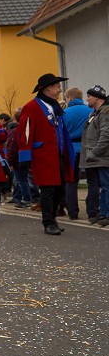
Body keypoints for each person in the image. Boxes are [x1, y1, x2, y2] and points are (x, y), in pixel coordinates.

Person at [17, 74, 73, 236]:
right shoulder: (31, 107)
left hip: (58, 155)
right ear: (48, 89)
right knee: (48, 189)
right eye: (57, 87)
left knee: (59, 188)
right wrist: (25, 157)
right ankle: (48, 222)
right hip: (42, 156)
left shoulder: (54, 106)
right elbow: (25, 133)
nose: (60, 90)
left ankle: (53, 218)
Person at [62, 87, 93, 221]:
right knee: (93, 181)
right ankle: (92, 211)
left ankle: (73, 212)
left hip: (71, 150)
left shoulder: (64, 113)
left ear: (69, 98)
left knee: (71, 181)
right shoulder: (91, 111)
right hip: (88, 149)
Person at [80, 85, 109, 226]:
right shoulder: (96, 113)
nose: (87, 99)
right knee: (103, 186)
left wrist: (95, 152)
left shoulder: (105, 113)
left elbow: (106, 136)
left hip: (102, 157)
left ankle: (106, 214)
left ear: (97, 98)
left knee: (107, 186)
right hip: (96, 158)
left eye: (89, 96)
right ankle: (103, 213)